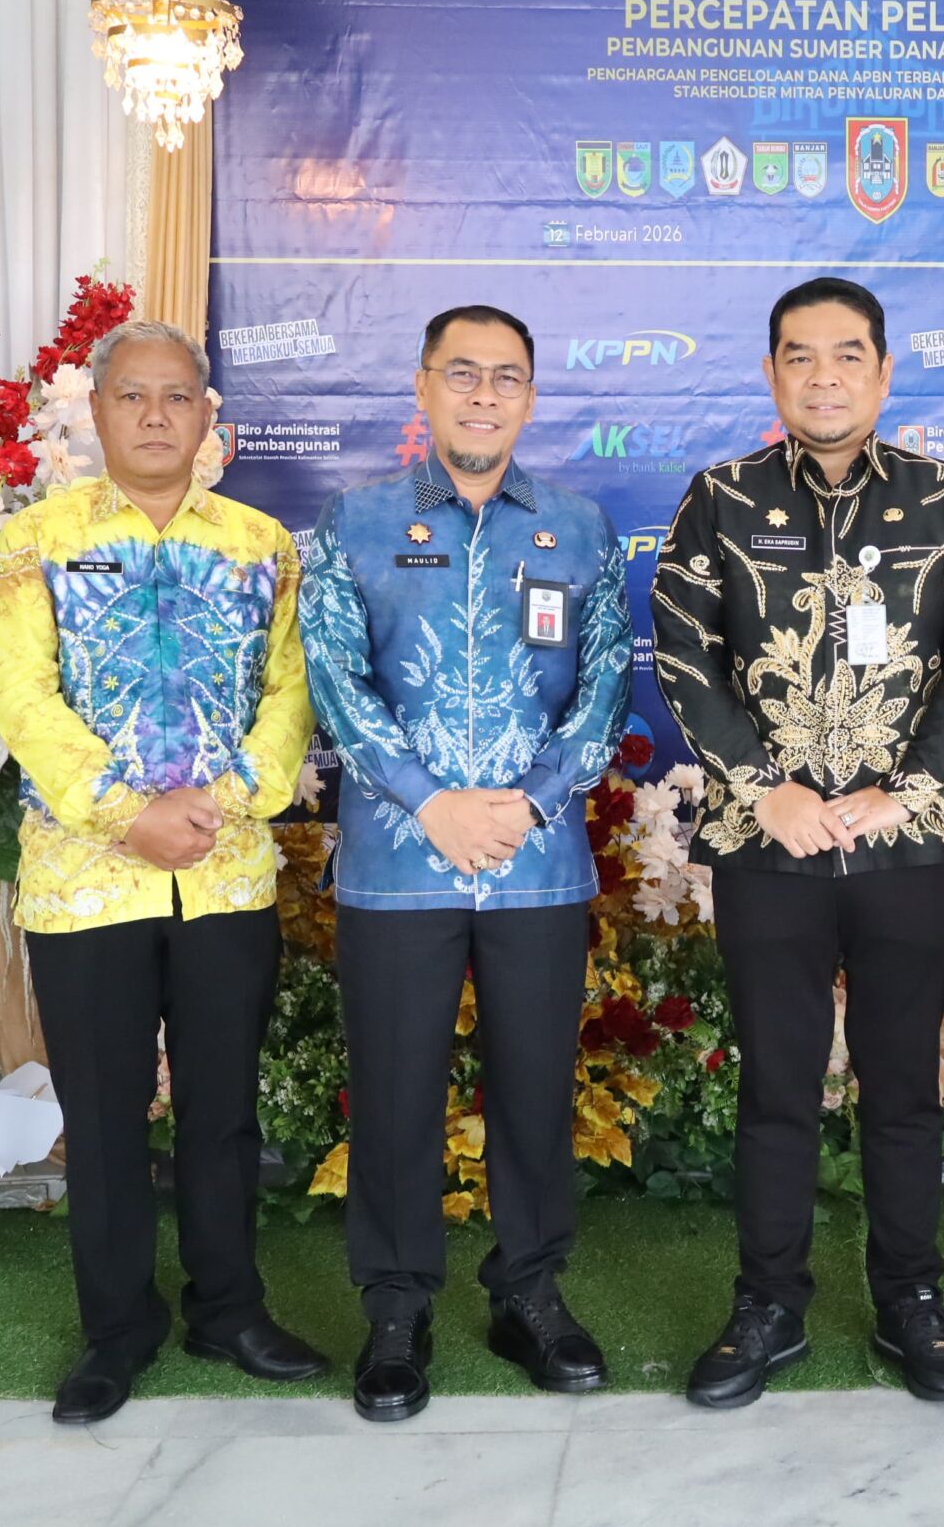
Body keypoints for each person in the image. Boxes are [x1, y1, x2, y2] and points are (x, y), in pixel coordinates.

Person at [651, 276, 944, 1408]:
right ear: (770, 373)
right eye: (799, 356)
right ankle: (768, 1303)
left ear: (884, 372)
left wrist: (910, 789)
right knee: (776, 1086)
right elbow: (681, 648)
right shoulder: (720, 497)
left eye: (846, 355)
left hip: (907, 846)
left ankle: (912, 1299)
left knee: (904, 1088)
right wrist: (764, 789)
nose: (823, 376)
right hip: (771, 849)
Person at [0, 319, 323, 1425]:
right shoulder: (32, 542)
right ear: (96, 411)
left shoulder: (262, 545)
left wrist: (225, 801)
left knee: (223, 1111)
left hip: (224, 875)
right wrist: (127, 815)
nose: (156, 415)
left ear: (207, 415)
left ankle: (228, 1308)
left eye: (178, 396)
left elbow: (290, 695)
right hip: (86, 883)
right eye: (133, 395)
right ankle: (117, 1331)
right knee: (105, 1118)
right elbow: (23, 699)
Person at [299, 305, 632, 1422]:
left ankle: (529, 1290)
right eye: (463, 374)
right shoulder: (355, 521)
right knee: (395, 1094)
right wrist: (432, 802)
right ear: (423, 386)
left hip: (535, 864)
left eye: (507, 377)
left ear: (530, 396)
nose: (484, 395)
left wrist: (528, 802)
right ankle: (395, 1309)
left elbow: (604, 687)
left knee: (535, 1089)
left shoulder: (578, 529)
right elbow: (336, 681)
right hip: (400, 864)